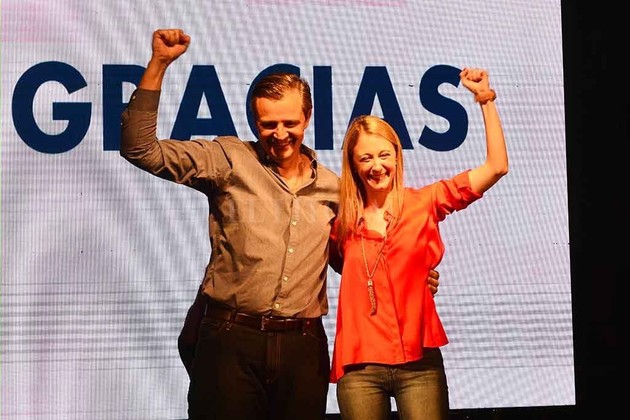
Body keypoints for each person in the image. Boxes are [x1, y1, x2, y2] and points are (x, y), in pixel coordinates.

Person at [120, 28, 440, 420]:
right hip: (230, 341)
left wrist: (413, 274)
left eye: (290, 122)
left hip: (302, 350)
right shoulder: (227, 160)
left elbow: (359, 263)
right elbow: (140, 148)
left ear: (308, 118)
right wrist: (159, 64)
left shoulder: (334, 190)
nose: (280, 134)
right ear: (255, 121)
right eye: (268, 124)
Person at [329, 68, 508, 420]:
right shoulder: (341, 222)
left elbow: (497, 167)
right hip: (360, 367)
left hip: (419, 363)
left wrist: (485, 99)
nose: (377, 166)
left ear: (397, 156)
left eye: (384, 155)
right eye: (366, 158)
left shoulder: (424, 203)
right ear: (353, 165)